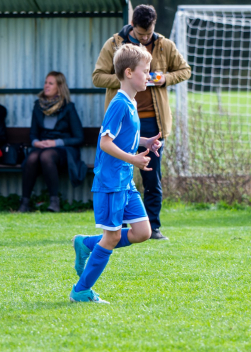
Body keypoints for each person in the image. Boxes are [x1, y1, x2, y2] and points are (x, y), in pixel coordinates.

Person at [69, 44, 162, 303]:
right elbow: (105, 143)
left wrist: (145, 142)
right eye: (146, 71)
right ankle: (81, 291)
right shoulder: (119, 104)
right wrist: (133, 159)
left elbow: (122, 139)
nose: (149, 75)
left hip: (125, 182)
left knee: (143, 232)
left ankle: (86, 243)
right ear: (130, 72)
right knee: (110, 238)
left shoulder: (131, 102)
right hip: (111, 183)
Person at [92, 4, 191, 240]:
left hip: (154, 123)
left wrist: (163, 78)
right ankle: (116, 228)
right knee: (121, 172)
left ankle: (152, 227)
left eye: (149, 33)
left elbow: (185, 70)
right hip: (125, 120)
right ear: (132, 26)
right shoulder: (115, 44)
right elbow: (97, 77)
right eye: (140, 34)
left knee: (152, 177)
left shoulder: (165, 45)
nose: (145, 38)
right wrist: (126, 79)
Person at [18, 72, 87, 213]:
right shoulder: (38, 106)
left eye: (51, 83)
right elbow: (33, 133)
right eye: (45, 82)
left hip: (63, 149)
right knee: (31, 158)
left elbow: (79, 137)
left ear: (59, 87)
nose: (46, 86)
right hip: (42, 146)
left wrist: (55, 143)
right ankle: (24, 203)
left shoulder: (68, 107)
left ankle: (54, 202)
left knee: (46, 156)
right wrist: (36, 142)